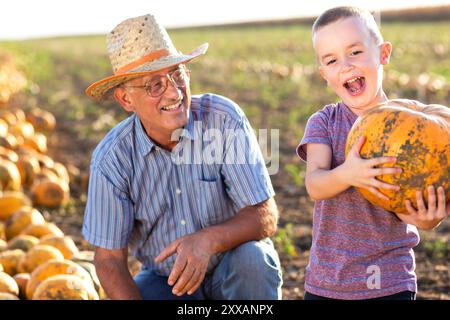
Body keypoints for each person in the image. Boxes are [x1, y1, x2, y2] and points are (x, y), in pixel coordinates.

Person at [82, 14, 282, 300]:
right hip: (167, 280)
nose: (174, 92)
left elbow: (265, 217)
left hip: (231, 264)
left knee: (253, 260)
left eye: (177, 74)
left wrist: (207, 241)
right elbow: (109, 259)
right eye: (154, 85)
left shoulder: (222, 120)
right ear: (126, 99)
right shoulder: (112, 159)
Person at [297, 6, 449, 300]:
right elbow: (315, 185)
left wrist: (428, 219)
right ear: (324, 74)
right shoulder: (325, 122)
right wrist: (349, 173)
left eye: (355, 52)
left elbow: (408, 206)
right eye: (332, 60)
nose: (346, 65)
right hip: (329, 281)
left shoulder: (414, 129)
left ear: (383, 54)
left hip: (391, 281)